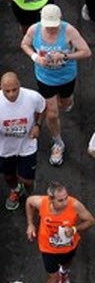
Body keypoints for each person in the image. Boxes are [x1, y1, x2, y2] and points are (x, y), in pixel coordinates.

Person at [21, 3, 92, 167]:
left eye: (54, 26)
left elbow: (86, 51)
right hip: (45, 78)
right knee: (52, 114)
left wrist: (66, 56)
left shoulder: (69, 31)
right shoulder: (34, 30)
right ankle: (58, 143)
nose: (52, 30)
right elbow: (24, 44)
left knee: (65, 103)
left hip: (66, 77)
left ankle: (68, 100)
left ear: (60, 20)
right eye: (48, 26)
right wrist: (35, 57)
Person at [25, 181, 95, 283]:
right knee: (52, 281)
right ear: (51, 199)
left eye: (66, 197)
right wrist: (30, 224)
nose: (65, 202)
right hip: (48, 249)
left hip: (69, 246)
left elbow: (90, 220)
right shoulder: (42, 202)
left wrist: (75, 229)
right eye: (61, 200)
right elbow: (29, 201)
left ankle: (64, 273)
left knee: (66, 265)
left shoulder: (74, 205)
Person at [0, 71, 45, 211]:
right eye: (7, 91)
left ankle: (30, 197)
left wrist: (38, 125)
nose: (12, 94)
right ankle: (15, 190)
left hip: (27, 146)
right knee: (8, 176)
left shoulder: (32, 97)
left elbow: (42, 108)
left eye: (15, 89)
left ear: (19, 84)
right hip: (5, 149)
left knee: (28, 180)